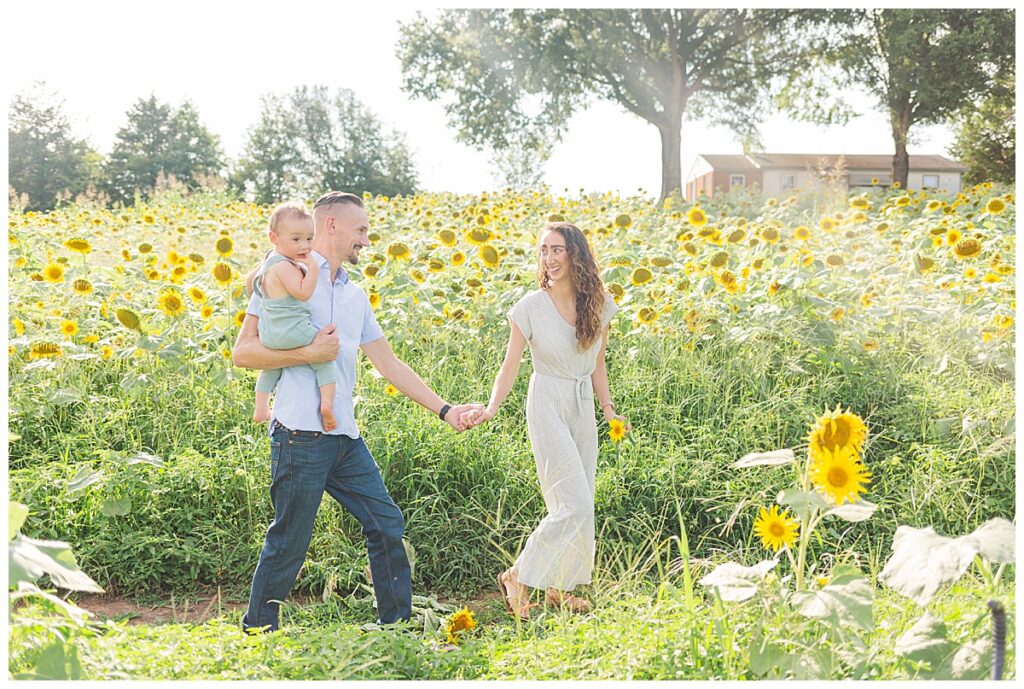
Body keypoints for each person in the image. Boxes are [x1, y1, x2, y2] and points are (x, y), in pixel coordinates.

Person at [232, 191, 482, 632]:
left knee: (386, 525)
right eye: (360, 230)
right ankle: (257, 629)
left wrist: (444, 410)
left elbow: (388, 364)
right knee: (290, 540)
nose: (366, 240)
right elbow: (244, 353)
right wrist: (310, 350)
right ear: (331, 226)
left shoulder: (355, 296)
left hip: (344, 436)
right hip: (298, 434)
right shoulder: (282, 278)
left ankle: (396, 627)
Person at [462, 222, 630, 619]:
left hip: (582, 403)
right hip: (546, 401)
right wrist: (490, 408)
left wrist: (608, 409)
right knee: (572, 501)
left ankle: (559, 586)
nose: (549, 259)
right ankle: (518, 576)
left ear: (576, 255)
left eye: (557, 250)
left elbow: (597, 364)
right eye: (543, 251)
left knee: (582, 499)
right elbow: (510, 366)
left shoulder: (600, 305)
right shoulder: (530, 307)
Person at [250, 202, 337, 431]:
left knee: (272, 368)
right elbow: (302, 292)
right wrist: (314, 269)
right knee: (324, 359)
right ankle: (327, 405)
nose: (305, 246)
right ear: (274, 237)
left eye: (309, 239)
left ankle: (260, 408)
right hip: (293, 332)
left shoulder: (267, 264)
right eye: (296, 239)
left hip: (270, 334)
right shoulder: (284, 266)